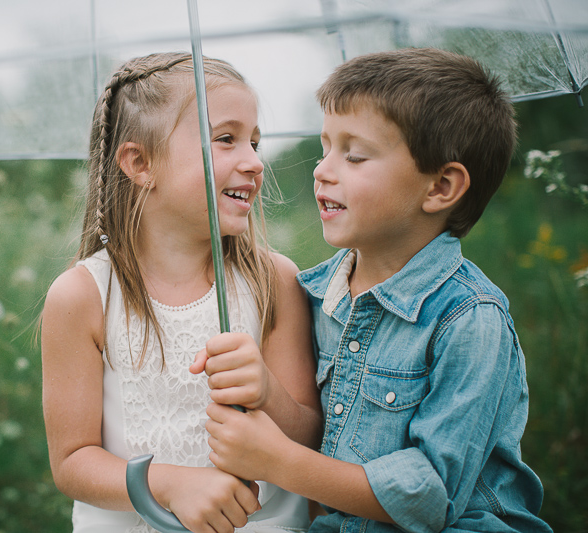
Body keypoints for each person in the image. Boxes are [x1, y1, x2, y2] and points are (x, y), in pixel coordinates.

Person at [202, 48, 552, 532]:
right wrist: (266, 393)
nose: (322, 169)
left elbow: (430, 498)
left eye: (355, 155)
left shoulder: (470, 318)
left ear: (440, 188)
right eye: (325, 147)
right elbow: (313, 427)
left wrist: (277, 461)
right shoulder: (313, 295)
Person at [40, 51, 323, 533]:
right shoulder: (83, 296)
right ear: (139, 162)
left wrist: (268, 393)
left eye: (255, 141)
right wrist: (169, 484)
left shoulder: (272, 281)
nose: (255, 162)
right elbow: (72, 460)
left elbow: (311, 436)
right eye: (226, 139)